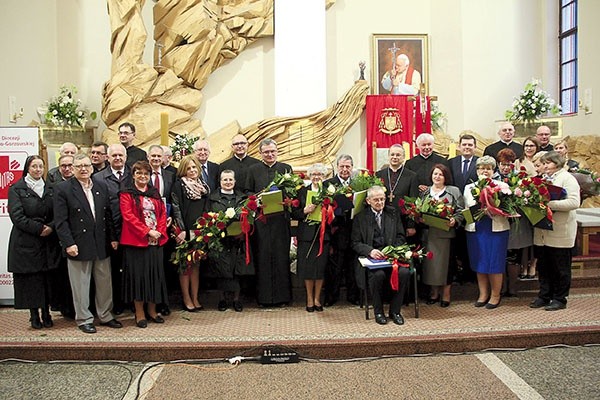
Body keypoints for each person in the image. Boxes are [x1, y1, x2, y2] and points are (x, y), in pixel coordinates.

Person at [54, 154, 122, 333]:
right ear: (73, 169)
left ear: (92, 167)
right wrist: (68, 243)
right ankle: (84, 318)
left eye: (86, 165)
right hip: (78, 243)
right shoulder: (63, 189)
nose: (83, 169)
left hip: (101, 242)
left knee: (104, 282)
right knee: (81, 284)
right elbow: (61, 221)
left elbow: (107, 215)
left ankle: (106, 315)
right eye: (79, 166)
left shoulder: (101, 186)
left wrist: (113, 238)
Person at [8, 155, 61, 329]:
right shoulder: (17, 188)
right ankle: (34, 315)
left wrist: (51, 227)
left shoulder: (51, 188)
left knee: (46, 279)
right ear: (27, 168)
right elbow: (17, 216)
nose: (38, 170)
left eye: (41, 166)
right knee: (32, 281)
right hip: (26, 241)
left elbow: (58, 214)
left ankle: (46, 313)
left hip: (48, 242)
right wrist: (39, 229)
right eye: (34, 167)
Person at [120, 161, 169, 328]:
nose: (143, 177)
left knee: (154, 276)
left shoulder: (154, 193)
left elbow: (162, 214)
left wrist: (159, 231)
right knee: (138, 278)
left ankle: (152, 310)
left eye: (146, 174)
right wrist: (148, 231)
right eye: (139, 173)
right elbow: (128, 217)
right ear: (133, 175)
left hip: (155, 241)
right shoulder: (126, 194)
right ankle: (139, 313)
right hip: (136, 242)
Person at [351, 185, 410, 325]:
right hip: (372, 259)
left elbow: (401, 237)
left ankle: (395, 311)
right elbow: (355, 243)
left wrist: (392, 250)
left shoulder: (393, 214)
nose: (380, 203)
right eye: (376, 200)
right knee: (378, 276)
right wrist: (370, 251)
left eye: (382, 199)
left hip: (391, 257)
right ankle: (378, 311)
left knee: (404, 272)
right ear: (368, 201)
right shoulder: (360, 218)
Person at [245, 138, 293, 306]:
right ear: (260, 153)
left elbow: (292, 191)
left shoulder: (286, 168)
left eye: (272, 151)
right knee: (263, 257)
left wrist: (287, 200)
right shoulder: (253, 170)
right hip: (261, 222)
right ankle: (264, 298)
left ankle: (283, 297)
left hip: (280, 220)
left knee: (281, 257)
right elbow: (247, 192)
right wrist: (255, 201)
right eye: (266, 152)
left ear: (277, 151)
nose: (270, 154)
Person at [530, 151, 580, 311]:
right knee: (544, 266)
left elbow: (574, 202)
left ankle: (560, 298)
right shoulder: (542, 179)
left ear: (557, 163)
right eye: (543, 163)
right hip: (542, 230)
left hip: (560, 230)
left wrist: (550, 204)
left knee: (560, 267)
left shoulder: (567, 178)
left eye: (548, 163)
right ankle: (544, 295)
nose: (544, 166)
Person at [463, 156, 510, 309]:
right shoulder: (469, 187)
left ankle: (495, 295)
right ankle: (483, 294)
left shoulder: (502, 186)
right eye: (482, 168)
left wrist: (494, 202)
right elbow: (468, 206)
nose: (485, 171)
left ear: (493, 170)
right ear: (477, 171)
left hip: (496, 229)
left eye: (488, 168)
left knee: (495, 262)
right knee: (480, 261)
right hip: (476, 229)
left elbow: (507, 207)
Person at [207, 170, 254, 312]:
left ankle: (236, 300)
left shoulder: (242, 198)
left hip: (238, 240)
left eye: (230, 180)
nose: (228, 182)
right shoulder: (212, 198)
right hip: (220, 240)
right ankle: (222, 299)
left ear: (234, 181)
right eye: (225, 180)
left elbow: (250, 217)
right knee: (221, 271)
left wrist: (243, 230)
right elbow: (208, 217)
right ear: (220, 182)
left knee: (236, 271)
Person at [171, 155, 210, 312]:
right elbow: (176, 209)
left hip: (199, 231)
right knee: (185, 266)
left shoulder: (204, 186)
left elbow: (207, 208)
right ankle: (186, 298)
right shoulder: (178, 186)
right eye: (188, 168)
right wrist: (182, 231)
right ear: (183, 170)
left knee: (196, 265)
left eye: (194, 167)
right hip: (184, 231)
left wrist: (205, 228)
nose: (192, 170)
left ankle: (195, 298)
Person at [421, 164, 464, 307]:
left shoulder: (453, 191)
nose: (437, 177)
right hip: (429, 235)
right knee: (431, 266)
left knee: (446, 266)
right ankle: (434, 293)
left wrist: (455, 220)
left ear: (446, 177)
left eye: (440, 174)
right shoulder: (425, 192)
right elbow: (419, 210)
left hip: (446, 235)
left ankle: (446, 294)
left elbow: (460, 211)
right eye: (435, 174)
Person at [94, 143, 130, 315]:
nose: (117, 158)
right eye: (114, 155)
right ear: (107, 158)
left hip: (132, 231)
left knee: (130, 268)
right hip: (111, 231)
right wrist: (112, 236)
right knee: (113, 270)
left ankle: (130, 300)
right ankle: (116, 303)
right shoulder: (99, 178)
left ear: (125, 157)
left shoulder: (133, 174)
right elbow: (102, 209)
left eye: (120, 155)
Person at [291, 164, 329, 313]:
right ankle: (308, 298)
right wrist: (304, 211)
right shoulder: (301, 192)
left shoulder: (328, 192)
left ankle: (317, 299)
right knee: (308, 268)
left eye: (320, 174)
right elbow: (294, 213)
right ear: (309, 176)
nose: (316, 177)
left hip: (323, 234)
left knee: (320, 268)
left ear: (324, 177)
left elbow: (336, 212)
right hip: (306, 235)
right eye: (313, 174)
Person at [323, 154, 360, 306]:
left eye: (348, 167)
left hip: (355, 231)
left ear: (352, 168)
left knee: (353, 267)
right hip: (336, 232)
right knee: (335, 268)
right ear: (337, 167)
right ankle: (332, 297)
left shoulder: (359, 184)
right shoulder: (328, 184)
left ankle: (353, 296)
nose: (345, 169)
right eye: (342, 166)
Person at [497, 148, 532, 298]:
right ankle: (501, 287)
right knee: (500, 257)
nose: (506, 167)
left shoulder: (520, 178)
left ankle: (512, 287)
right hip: (498, 223)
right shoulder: (493, 178)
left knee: (514, 257)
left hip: (516, 223)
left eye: (509, 164)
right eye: (503, 164)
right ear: (498, 164)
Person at [148, 144, 176, 316]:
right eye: (153, 156)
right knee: (151, 266)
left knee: (164, 265)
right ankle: (150, 302)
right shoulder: (142, 176)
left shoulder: (170, 176)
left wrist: (170, 216)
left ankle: (163, 302)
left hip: (165, 225)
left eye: (159, 156)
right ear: (148, 157)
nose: (157, 159)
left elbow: (173, 199)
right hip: (147, 229)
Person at [447, 133, 479, 284]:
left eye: (470, 145)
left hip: (474, 208)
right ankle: (457, 273)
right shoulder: (451, 162)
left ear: (475, 147)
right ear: (459, 146)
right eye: (464, 145)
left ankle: (470, 273)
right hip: (456, 209)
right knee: (457, 243)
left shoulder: (479, 163)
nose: (467, 147)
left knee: (471, 243)